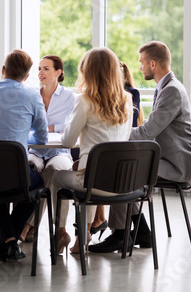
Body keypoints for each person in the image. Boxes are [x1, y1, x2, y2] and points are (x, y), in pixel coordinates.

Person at [89, 41, 191, 253]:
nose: (139, 67)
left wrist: (114, 134)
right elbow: (150, 130)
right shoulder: (167, 87)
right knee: (126, 167)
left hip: (177, 165)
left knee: (122, 171)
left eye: (141, 63)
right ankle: (142, 233)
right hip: (169, 157)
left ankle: (121, 235)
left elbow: (148, 132)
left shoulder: (172, 91)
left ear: (153, 63)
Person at [51, 47, 133, 255]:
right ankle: (83, 236)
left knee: (56, 177)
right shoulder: (127, 99)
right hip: (122, 182)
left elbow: (68, 141)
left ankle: (61, 231)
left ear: (87, 71)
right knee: (86, 175)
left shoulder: (85, 100)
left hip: (93, 183)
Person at [0, 49, 48, 262]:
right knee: (39, 183)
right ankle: (11, 239)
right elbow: (42, 136)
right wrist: (22, 135)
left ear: (3, 70)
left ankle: (8, 239)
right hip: (16, 175)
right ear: (28, 75)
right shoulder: (32, 95)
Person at [20, 55, 75, 243]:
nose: (40, 73)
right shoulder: (33, 94)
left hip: (59, 151)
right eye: (39, 68)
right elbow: (26, 123)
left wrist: (45, 127)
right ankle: (28, 224)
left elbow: (68, 126)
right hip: (35, 150)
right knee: (28, 166)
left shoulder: (69, 96)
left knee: (54, 170)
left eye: (46, 69)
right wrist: (50, 126)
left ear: (58, 72)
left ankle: (26, 224)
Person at [89, 60, 145, 239]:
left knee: (104, 168)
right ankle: (141, 232)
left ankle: (118, 233)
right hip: (119, 149)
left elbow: (125, 126)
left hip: (126, 150)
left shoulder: (129, 94)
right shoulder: (102, 95)